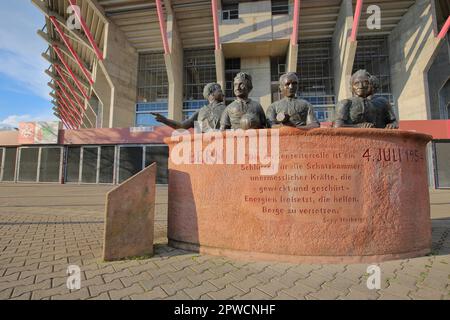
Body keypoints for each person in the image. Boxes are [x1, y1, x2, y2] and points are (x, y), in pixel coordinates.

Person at [151, 83, 226, 132]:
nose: (223, 94)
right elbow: (182, 126)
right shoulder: (201, 111)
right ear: (212, 93)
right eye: (220, 91)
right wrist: (165, 120)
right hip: (204, 149)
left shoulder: (227, 109)